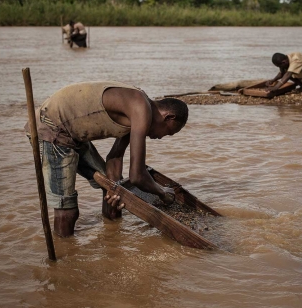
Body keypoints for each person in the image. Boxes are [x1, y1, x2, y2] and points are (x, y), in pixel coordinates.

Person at [24, 81, 189, 237]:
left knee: (110, 187)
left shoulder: (139, 106)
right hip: (52, 128)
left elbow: (115, 157)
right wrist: (162, 193)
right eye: (168, 133)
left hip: (71, 132)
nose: (161, 137)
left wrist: (115, 190)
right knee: (67, 208)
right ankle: (64, 254)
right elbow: (137, 176)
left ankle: (112, 235)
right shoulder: (141, 108)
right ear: (169, 117)